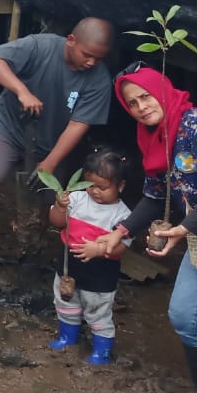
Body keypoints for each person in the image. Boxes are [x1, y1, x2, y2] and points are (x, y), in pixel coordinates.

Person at [89, 65, 197, 393]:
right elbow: (155, 196)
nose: (141, 107)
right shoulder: (154, 139)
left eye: (146, 96)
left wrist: (184, 228)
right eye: (132, 103)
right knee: (185, 317)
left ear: (163, 91)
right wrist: (121, 232)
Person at [0, 19, 113, 275]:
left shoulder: (99, 80)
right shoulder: (40, 46)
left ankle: (29, 245)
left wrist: (50, 163)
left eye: (99, 59)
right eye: (87, 55)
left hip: (53, 139)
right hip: (9, 124)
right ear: (71, 40)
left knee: (46, 199)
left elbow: (78, 125)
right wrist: (21, 90)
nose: (91, 62)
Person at [47, 150, 131, 364]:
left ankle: (101, 351)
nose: (95, 191)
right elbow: (57, 222)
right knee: (65, 303)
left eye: (103, 187)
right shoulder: (76, 199)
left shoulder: (123, 215)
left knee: (98, 311)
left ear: (120, 186)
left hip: (100, 274)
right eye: (90, 185)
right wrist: (60, 206)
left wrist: (99, 250)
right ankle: (67, 338)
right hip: (68, 266)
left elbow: (122, 247)